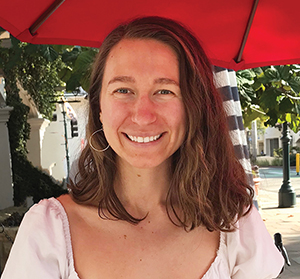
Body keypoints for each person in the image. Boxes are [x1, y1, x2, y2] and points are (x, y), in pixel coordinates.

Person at [2, 16, 284, 279]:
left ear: (193, 107)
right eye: (123, 90)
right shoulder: (48, 232)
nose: (142, 114)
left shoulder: (235, 226)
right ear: (99, 107)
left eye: (165, 91)